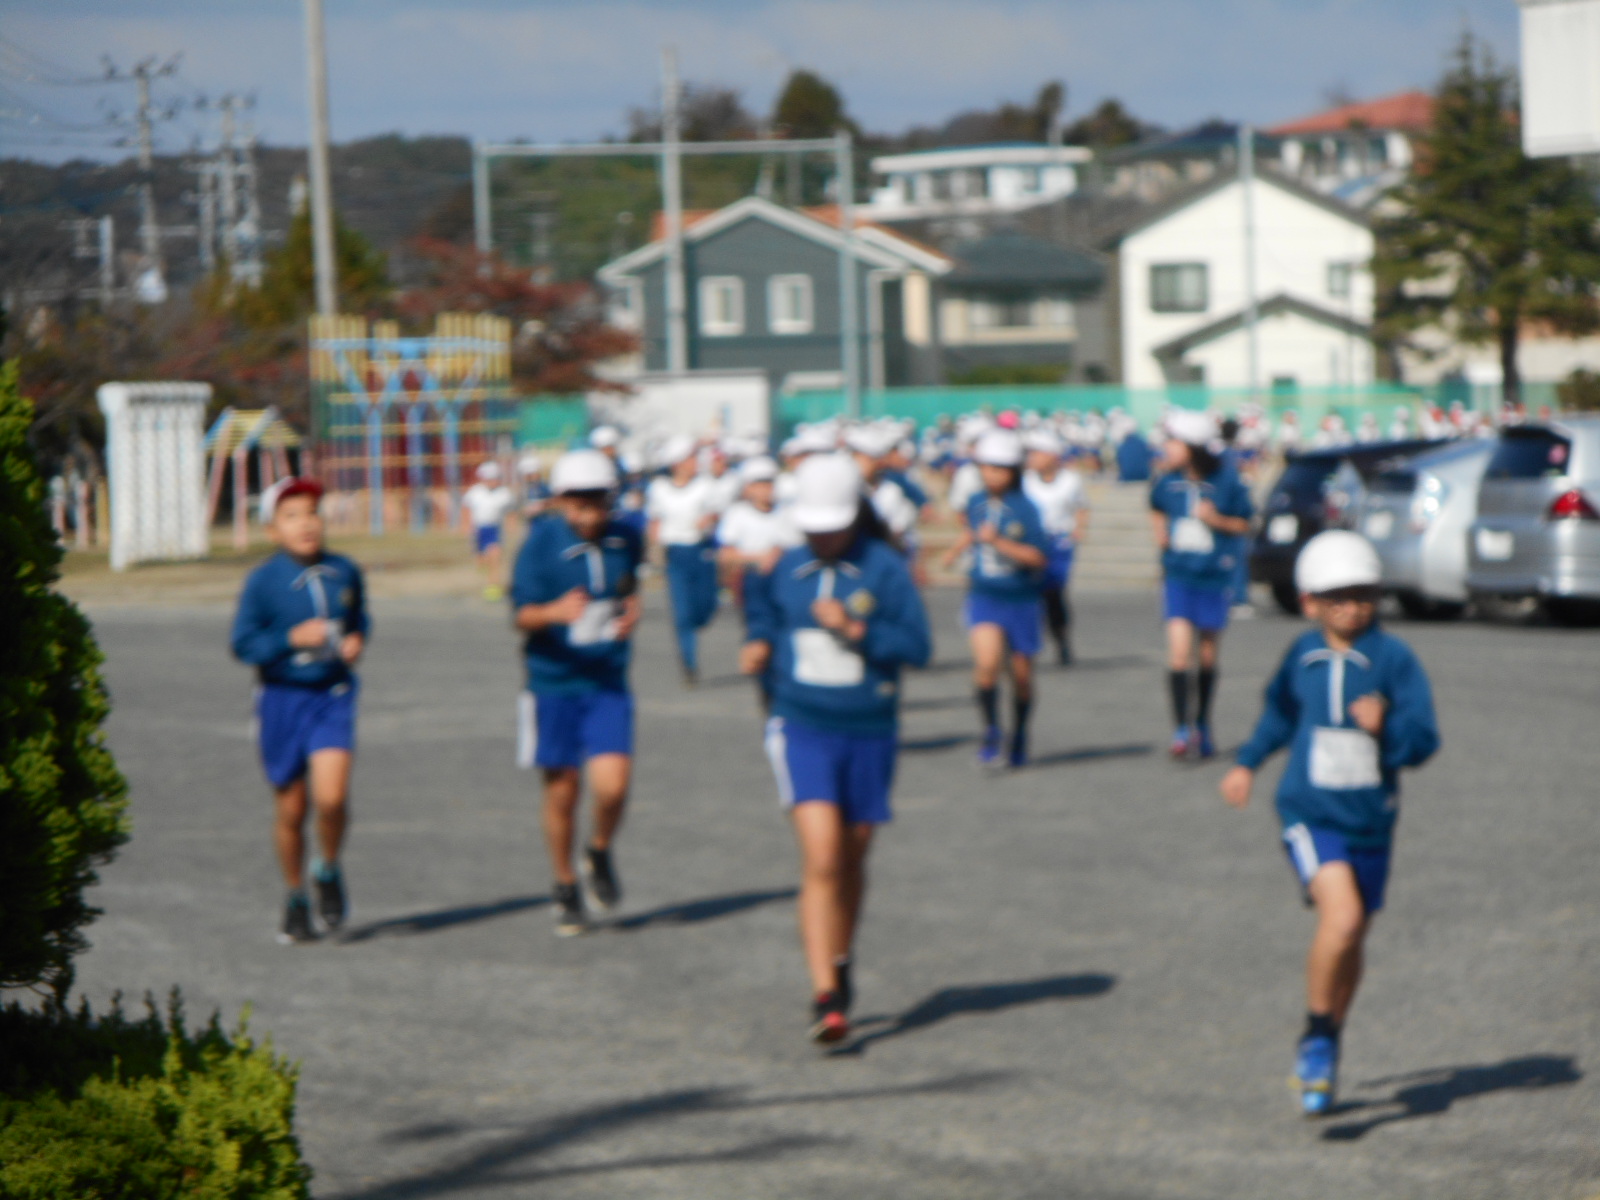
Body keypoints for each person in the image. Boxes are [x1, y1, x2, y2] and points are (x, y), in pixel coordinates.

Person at [1220, 531, 1439, 1117]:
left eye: (1363, 594)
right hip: (1309, 813)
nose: (1352, 608)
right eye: (1337, 597)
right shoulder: (1301, 655)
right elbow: (1279, 714)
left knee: (1353, 935)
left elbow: (1423, 741)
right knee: (1340, 919)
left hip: (1371, 820)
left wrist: (1387, 729)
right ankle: (1316, 1036)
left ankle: (1330, 1039)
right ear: (1309, 601)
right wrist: (1246, 763)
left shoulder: (1393, 660)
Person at [741, 453, 931, 1044]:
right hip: (801, 726)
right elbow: (764, 615)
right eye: (813, 527)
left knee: (852, 856)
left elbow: (918, 646)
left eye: (833, 527)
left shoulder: (884, 568)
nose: (822, 537)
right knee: (822, 856)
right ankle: (825, 996)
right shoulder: (785, 566)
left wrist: (857, 631)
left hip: (870, 728)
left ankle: (841, 958)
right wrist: (757, 644)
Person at [510, 449, 644, 936]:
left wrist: (631, 612)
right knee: (563, 791)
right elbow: (521, 615)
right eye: (577, 504)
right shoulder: (540, 543)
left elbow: (628, 588)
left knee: (613, 786)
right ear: (560, 501)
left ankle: (599, 849)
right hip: (553, 683)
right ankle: (564, 882)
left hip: (606, 679)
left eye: (597, 503)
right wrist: (553, 613)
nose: (588, 515)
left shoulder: (626, 537)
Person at [230, 478, 369, 944]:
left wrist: (356, 640)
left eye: (312, 512)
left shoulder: (344, 570)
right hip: (281, 700)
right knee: (292, 808)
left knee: (332, 798)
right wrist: (289, 639)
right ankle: (295, 895)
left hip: (332, 695)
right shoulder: (263, 581)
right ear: (272, 529)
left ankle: (327, 867)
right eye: (291, 516)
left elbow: (359, 619)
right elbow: (243, 643)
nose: (306, 523)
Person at [941, 429, 1050, 770]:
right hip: (984, 594)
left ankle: (1019, 734)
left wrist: (1000, 543)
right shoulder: (976, 501)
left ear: (1014, 471)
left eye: (1000, 468)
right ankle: (990, 730)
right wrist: (955, 551)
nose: (992, 475)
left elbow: (1038, 558)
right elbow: (972, 531)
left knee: (1021, 677)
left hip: (1021, 599)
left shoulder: (1026, 508)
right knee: (986, 665)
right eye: (986, 467)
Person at [1149, 411, 1254, 760]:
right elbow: (1155, 506)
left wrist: (1216, 520)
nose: (1167, 448)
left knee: (1207, 655)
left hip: (1213, 576)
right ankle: (1181, 729)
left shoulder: (1226, 480)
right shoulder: (1168, 480)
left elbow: (1245, 523)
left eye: (1173, 442)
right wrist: (1160, 531)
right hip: (1178, 575)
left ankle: (1203, 724)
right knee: (1179, 653)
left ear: (1192, 446)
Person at [717, 456, 802, 705]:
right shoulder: (737, 514)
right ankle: (768, 689)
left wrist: (778, 556)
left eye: (769, 483)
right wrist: (759, 558)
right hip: (753, 583)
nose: (765, 489)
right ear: (748, 488)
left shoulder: (787, 513)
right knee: (760, 635)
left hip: (784, 583)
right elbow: (726, 555)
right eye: (759, 484)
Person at [646, 435, 720, 685]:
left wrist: (708, 520)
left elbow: (716, 513)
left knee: (706, 606)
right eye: (690, 458)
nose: (695, 462)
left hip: (701, 551)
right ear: (677, 463)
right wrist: (654, 550)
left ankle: (699, 621)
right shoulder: (659, 488)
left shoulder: (705, 485)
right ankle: (688, 662)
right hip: (675, 554)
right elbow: (655, 521)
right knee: (682, 613)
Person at [1023, 429, 1091, 666]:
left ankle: (1061, 639)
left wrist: (1077, 530)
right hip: (1032, 542)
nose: (1032, 458)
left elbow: (1081, 506)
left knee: (1053, 593)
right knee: (1030, 594)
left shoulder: (1070, 480)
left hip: (1058, 544)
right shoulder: (1025, 481)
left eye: (1037, 453)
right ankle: (1027, 645)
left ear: (1052, 455)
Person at [462, 462, 516, 601]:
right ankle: (484, 569)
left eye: (495, 478)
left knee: (495, 557)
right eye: (490, 478)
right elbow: (466, 508)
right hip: (479, 530)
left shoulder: (503, 493)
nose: (493, 481)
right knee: (482, 561)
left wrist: (511, 524)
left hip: (494, 529)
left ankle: (493, 586)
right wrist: (466, 525)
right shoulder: (475, 492)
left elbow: (510, 510)